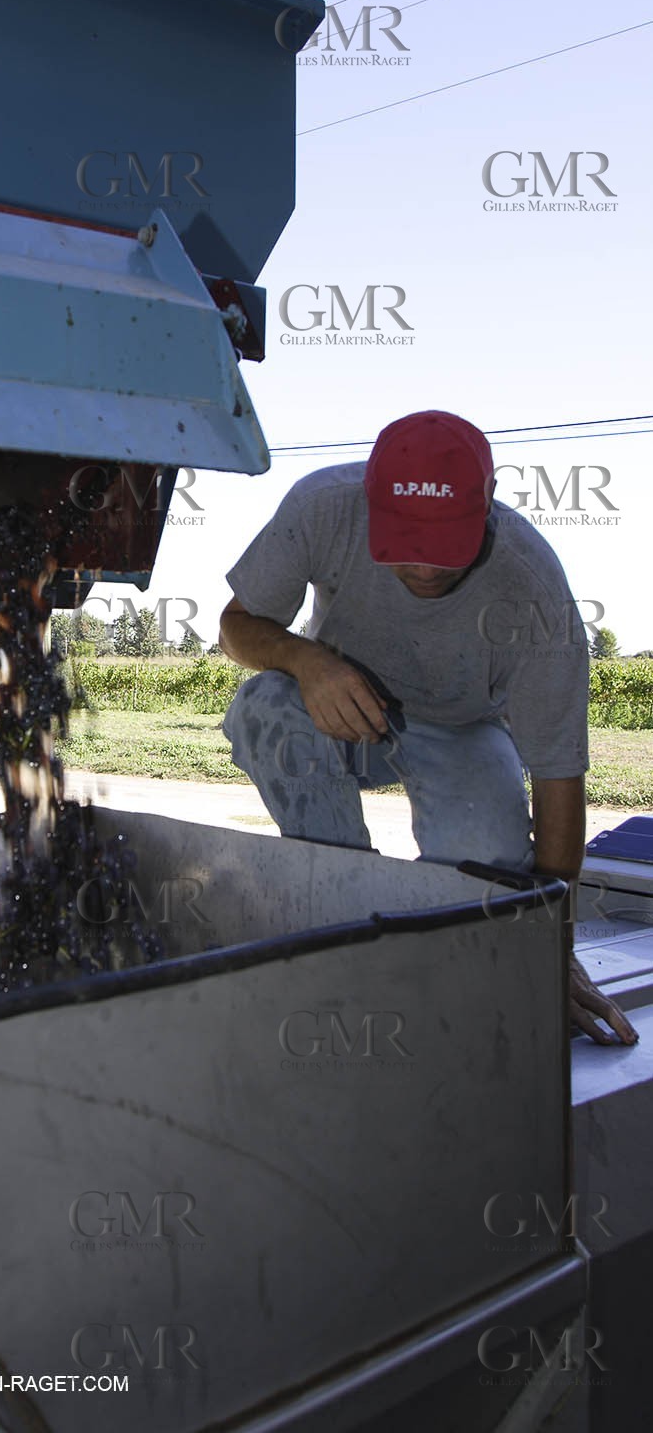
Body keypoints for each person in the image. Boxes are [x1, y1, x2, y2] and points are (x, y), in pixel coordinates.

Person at [219, 409, 637, 1046]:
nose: (424, 567)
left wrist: (548, 950)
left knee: (488, 873)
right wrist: (306, 660)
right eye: (405, 543)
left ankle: (446, 929)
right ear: (369, 502)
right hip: (345, 711)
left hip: (462, 728)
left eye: (444, 547)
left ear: (488, 501)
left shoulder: (535, 592)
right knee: (264, 706)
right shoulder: (323, 507)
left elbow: (559, 781)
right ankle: (342, 906)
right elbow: (235, 627)